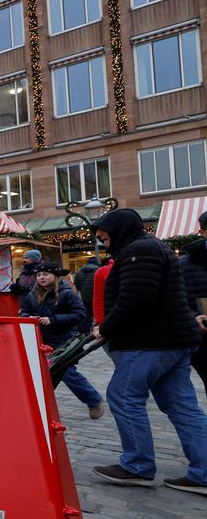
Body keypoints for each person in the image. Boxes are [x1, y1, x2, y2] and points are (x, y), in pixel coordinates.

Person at [91, 208, 207, 493]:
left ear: (119, 228)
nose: (100, 238)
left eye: (103, 233)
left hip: (150, 341)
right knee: (182, 406)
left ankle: (137, 465)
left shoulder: (139, 251)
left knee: (124, 395)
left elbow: (136, 298)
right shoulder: (150, 248)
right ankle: (203, 472)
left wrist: (105, 329)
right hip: (173, 340)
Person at [19, 262, 105, 418]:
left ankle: (94, 400)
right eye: (39, 275)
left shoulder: (66, 293)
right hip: (40, 341)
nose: (42, 277)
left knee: (67, 373)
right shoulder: (32, 295)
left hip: (64, 342)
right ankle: (37, 407)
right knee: (42, 375)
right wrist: (27, 317)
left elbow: (79, 314)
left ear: (55, 276)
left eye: (45, 274)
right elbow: (23, 311)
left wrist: (53, 319)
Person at [180, 211, 207, 391]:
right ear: (203, 232)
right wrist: (194, 317)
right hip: (203, 338)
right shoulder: (184, 264)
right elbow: (175, 299)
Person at [75, 255, 101, 327]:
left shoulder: (78, 272)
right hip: (96, 297)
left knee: (87, 315)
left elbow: (77, 286)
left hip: (84, 298)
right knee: (97, 315)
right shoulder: (98, 271)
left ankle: (87, 331)